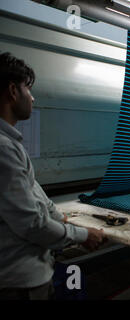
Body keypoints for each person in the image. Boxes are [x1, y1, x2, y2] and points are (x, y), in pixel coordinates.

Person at [0, 52, 105, 300]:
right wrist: (83, 235)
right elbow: (32, 224)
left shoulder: (10, 144)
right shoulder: (3, 149)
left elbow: (34, 192)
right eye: (28, 88)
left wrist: (62, 217)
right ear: (13, 91)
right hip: (20, 282)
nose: (33, 97)